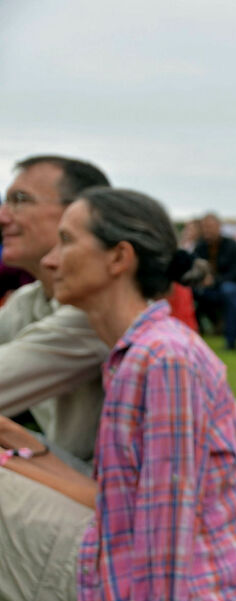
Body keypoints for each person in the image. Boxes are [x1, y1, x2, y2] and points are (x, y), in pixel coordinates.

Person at [0, 187, 236, 601]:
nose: (51, 261)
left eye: (67, 241)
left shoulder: (162, 358)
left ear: (118, 258)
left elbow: (164, 546)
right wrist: (24, 452)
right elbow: (127, 503)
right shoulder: (140, 352)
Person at [0, 155, 110, 462]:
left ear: (79, 213)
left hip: (107, 499)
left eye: (19, 200)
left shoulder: (96, 312)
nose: (3, 217)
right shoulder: (30, 300)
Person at [193, 212, 236, 349]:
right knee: (187, 291)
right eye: (205, 227)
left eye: (210, 227)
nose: (207, 230)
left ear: (219, 227)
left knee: (230, 291)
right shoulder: (200, 247)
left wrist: (215, 281)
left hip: (232, 288)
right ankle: (192, 335)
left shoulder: (233, 247)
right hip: (208, 289)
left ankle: (231, 340)